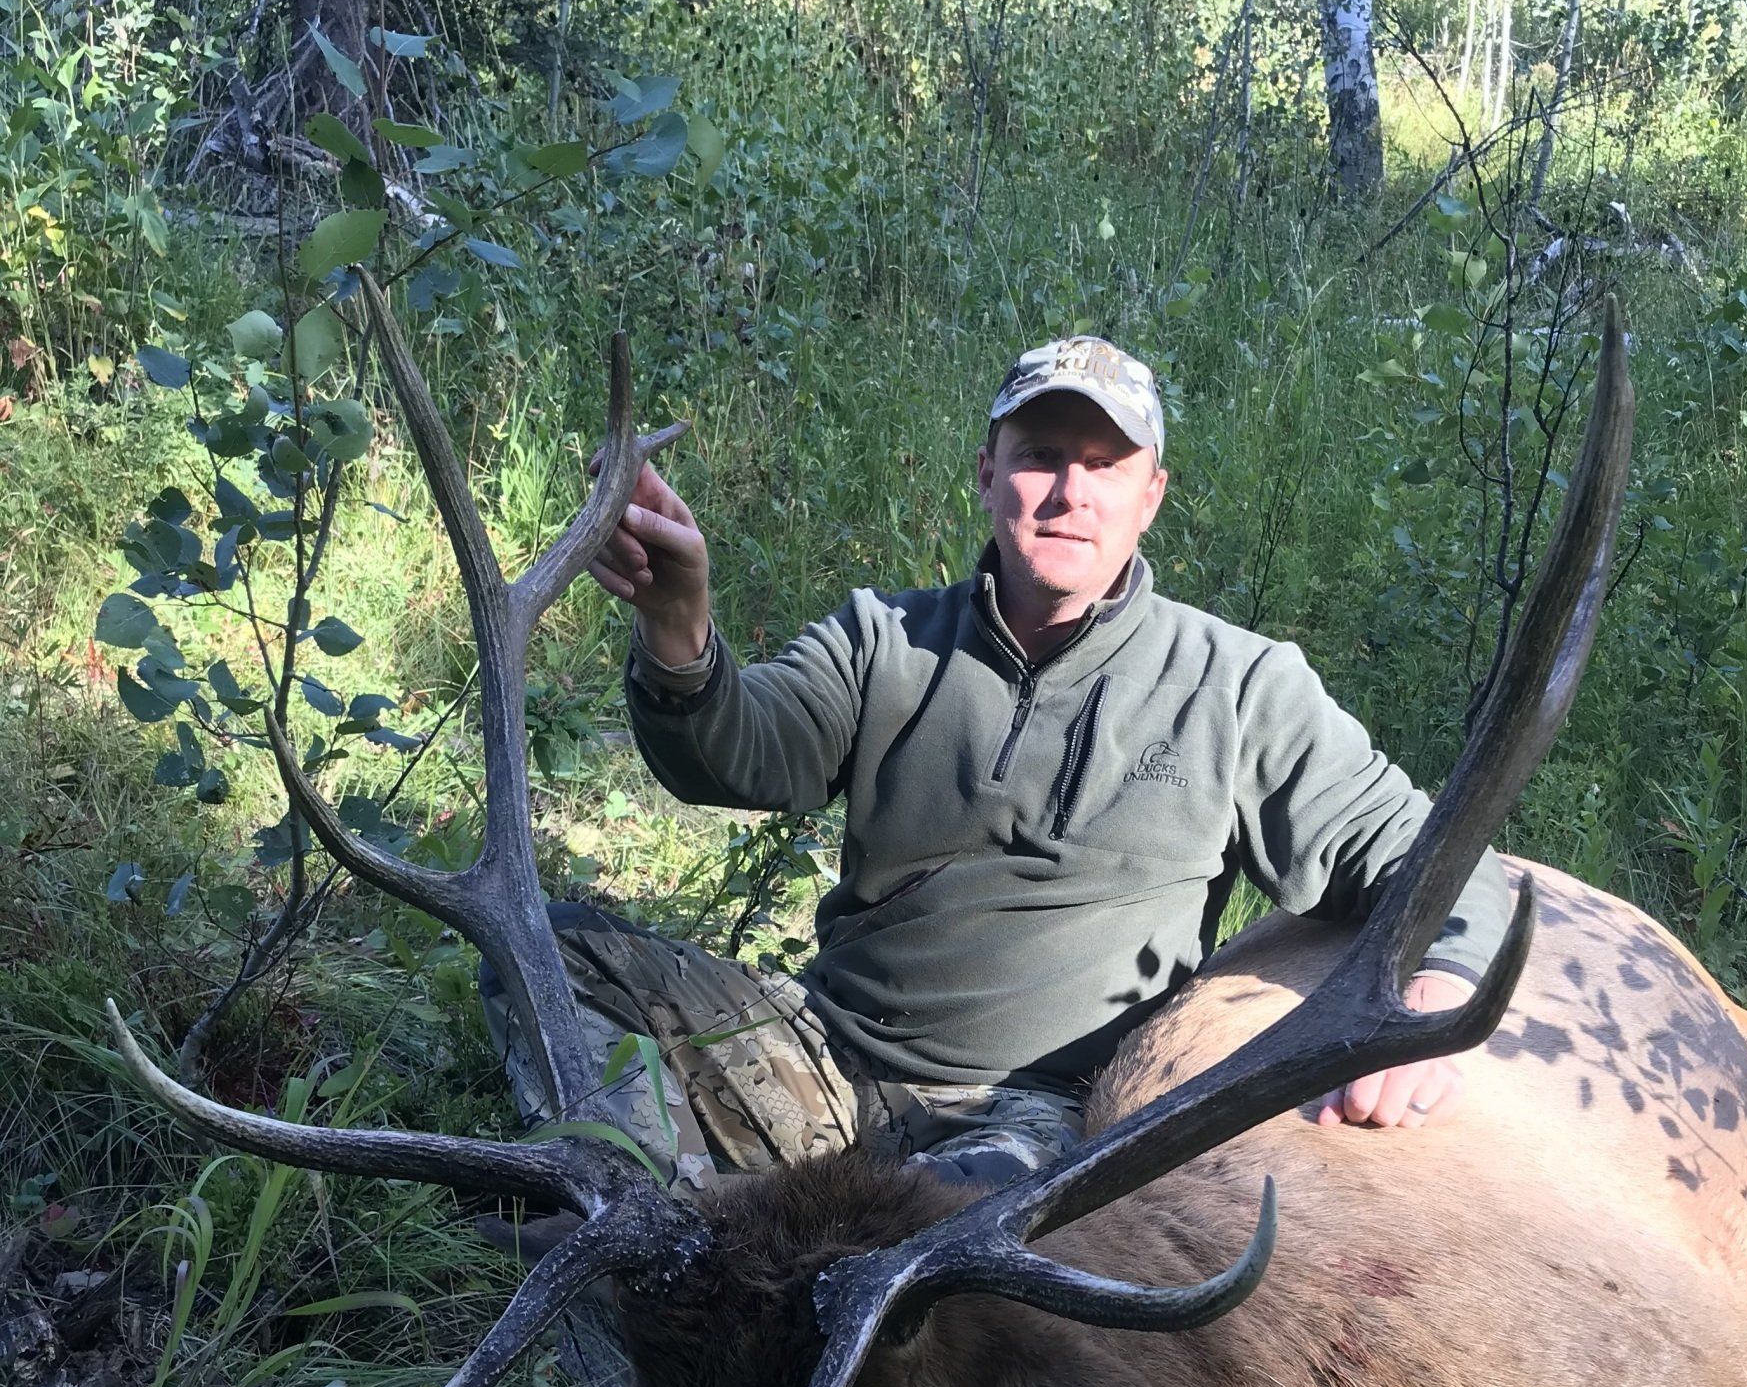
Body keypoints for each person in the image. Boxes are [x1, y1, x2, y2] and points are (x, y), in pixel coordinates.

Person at [486, 336, 1510, 1198]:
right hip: (825, 1056)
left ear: (1150, 495)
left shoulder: (1239, 686)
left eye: (1104, 465)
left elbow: (1438, 861)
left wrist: (1433, 1001)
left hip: (1037, 1113)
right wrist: (679, 633)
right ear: (986, 471)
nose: (1068, 492)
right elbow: (741, 753)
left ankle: (723, 1217)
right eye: (1040, 455)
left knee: (960, 1231)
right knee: (544, 959)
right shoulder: (884, 638)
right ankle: (668, 1226)